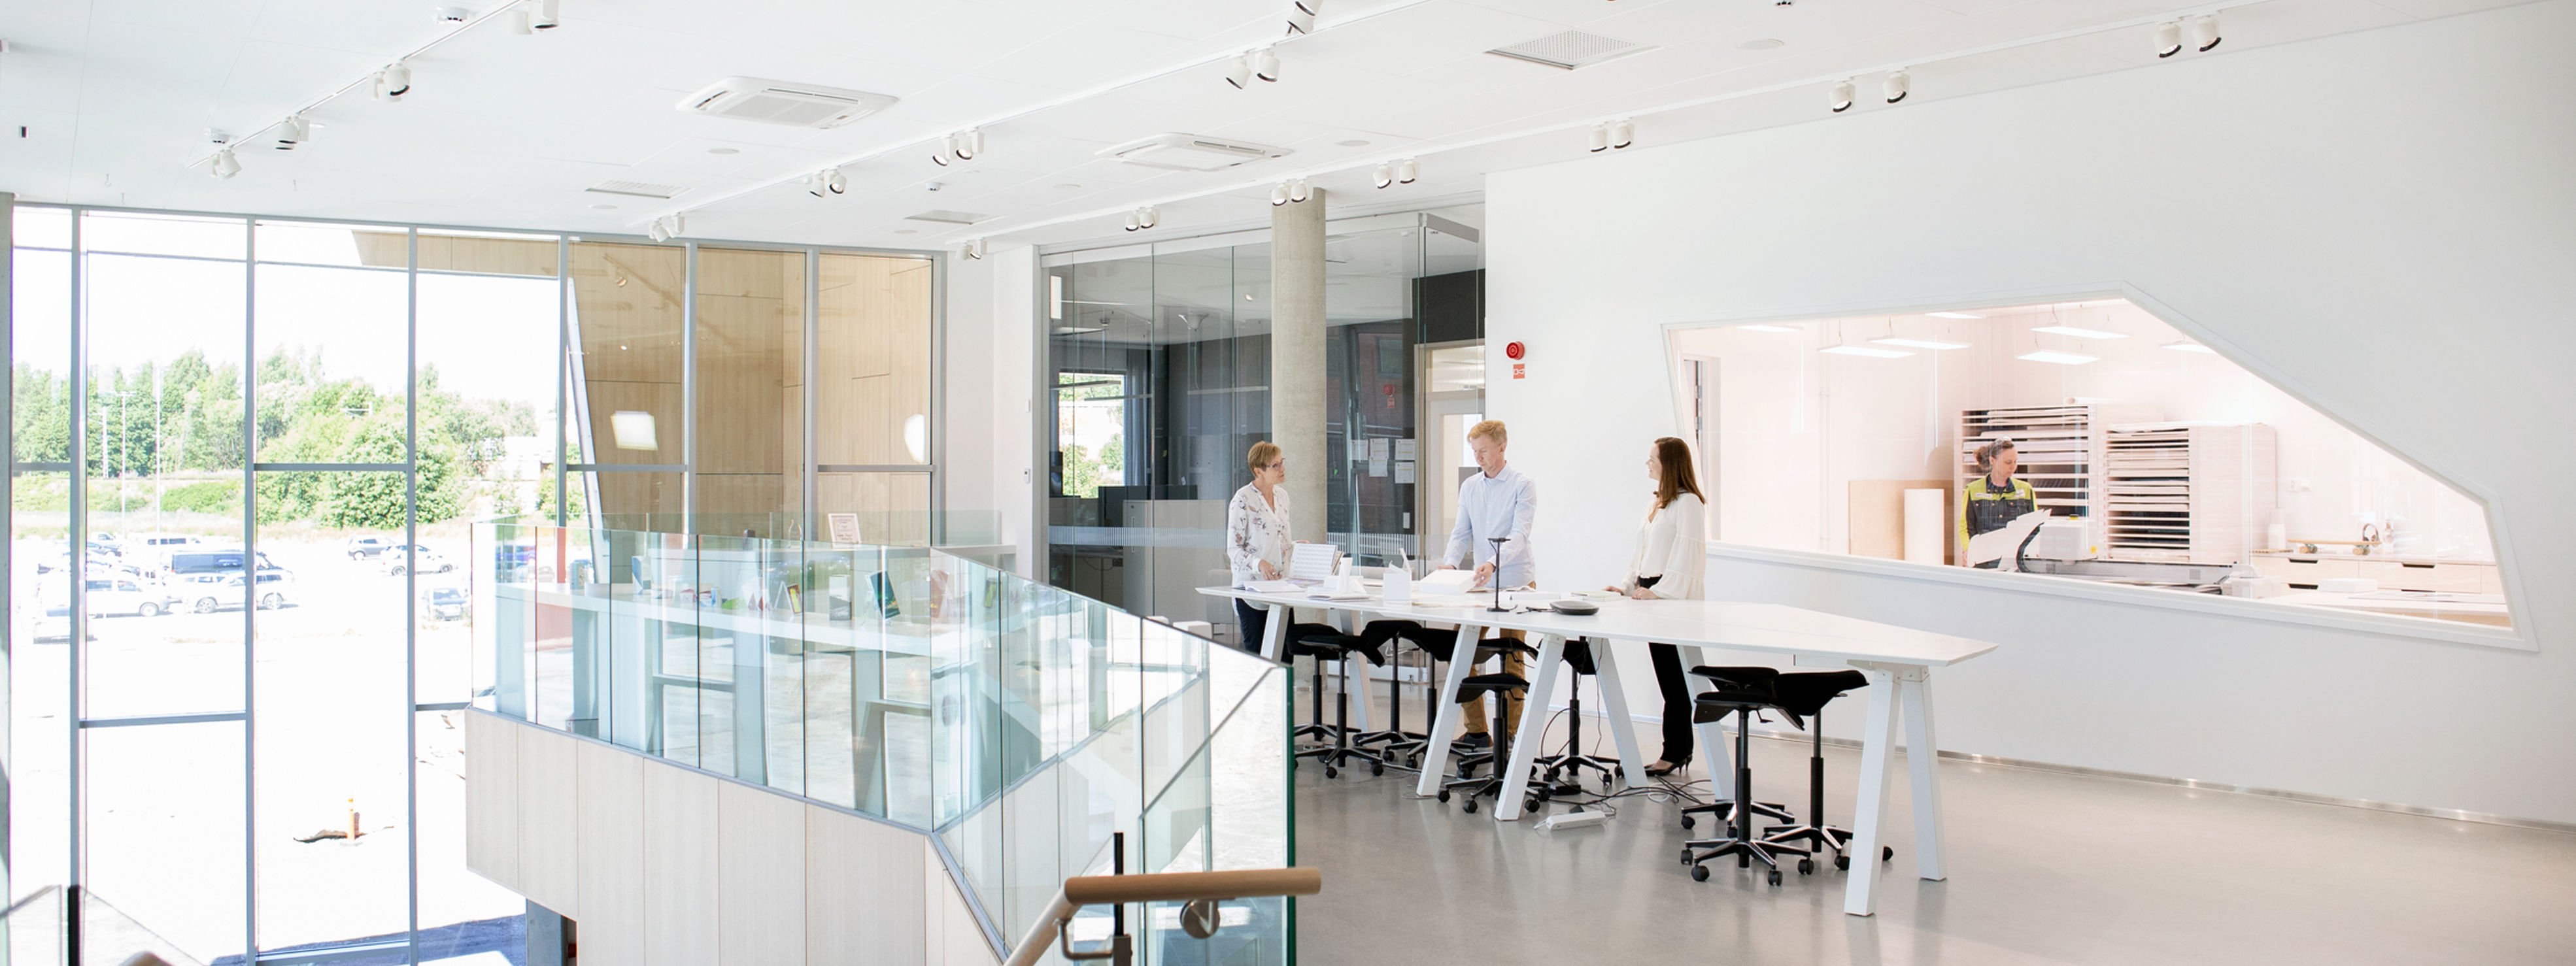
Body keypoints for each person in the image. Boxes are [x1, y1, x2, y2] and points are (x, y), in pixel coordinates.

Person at [1606, 437, 1707, 777]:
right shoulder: (1658, 503)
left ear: (1670, 463)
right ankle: (1676, 748)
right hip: (1651, 593)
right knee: (1667, 677)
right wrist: (1625, 586)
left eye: (1652, 459)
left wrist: (1662, 592)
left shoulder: (1689, 503)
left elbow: (1687, 557)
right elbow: (1642, 553)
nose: (1647, 464)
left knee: (1676, 679)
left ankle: (1677, 750)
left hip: (1671, 599)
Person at [1440, 419, 1536, 750]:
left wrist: (1495, 561)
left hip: (1515, 581)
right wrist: (1451, 564)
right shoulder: (1470, 487)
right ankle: (1478, 730)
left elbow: (1520, 535)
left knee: (1513, 655)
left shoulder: (1523, 485)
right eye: (1474, 451)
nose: (1478, 457)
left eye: (1483, 450)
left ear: (1501, 447)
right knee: (1461, 647)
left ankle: (1510, 733)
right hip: (1480, 583)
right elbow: (1461, 531)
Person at [1226, 441, 1293, 653]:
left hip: (1280, 587)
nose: (1282, 468)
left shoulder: (1283, 497)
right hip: (1251, 589)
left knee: (1284, 654)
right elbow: (1233, 549)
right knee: (1258, 653)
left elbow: (1279, 538)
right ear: (1259, 471)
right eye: (1275, 465)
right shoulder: (1243, 499)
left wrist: (1295, 547)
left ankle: (1284, 688)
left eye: (1282, 463)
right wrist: (1259, 564)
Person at [1959, 438, 2037, 568]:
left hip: (2015, 562)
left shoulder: (2026, 490)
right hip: (1983, 561)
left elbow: (2035, 527)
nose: (2013, 467)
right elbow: (1966, 527)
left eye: (2015, 462)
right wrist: (1968, 550)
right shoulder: (1973, 490)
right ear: (1992, 461)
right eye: (2007, 462)